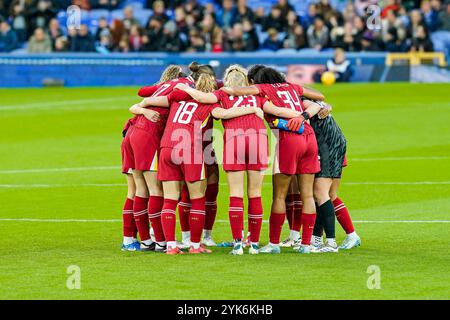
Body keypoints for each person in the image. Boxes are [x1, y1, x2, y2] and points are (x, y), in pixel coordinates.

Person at [175, 65, 308, 255]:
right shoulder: (257, 96)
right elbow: (278, 110)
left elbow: (213, 109)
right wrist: (303, 114)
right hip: (258, 140)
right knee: (255, 193)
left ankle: (238, 244)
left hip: (233, 140)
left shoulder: (221, 94)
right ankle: (253, 244)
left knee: (236, 194)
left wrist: (185, 88)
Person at [130, 73, 264, 255]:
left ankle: (170, 246)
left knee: (170, 199)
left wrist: (142, 107)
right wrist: (252, 110)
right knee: (197, 198)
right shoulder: (210, 103)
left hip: (167, 147)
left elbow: (149, 98)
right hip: (189, 149)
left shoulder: (177, 98)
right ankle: (194, 245)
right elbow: (224, 113)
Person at [222, 67, 326, 254]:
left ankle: (274, 243)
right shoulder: (292, 87)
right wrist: (302, 116)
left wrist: (223, 88)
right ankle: (306, 245)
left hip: (289, 138)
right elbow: (320, 97)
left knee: (279, 194)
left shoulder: (263, 90)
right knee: (308, 195)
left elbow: (238, 91)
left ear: (255, 81)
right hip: (309, 137)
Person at [122, 65, 188, 252]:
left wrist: (142, 107)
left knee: (138, 190)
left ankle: (138, 240)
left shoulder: (161, 86)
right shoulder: (182, 87)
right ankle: (159, 240)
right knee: (154, 189)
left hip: (130, 133)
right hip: (147, 136)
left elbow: (141, 92)